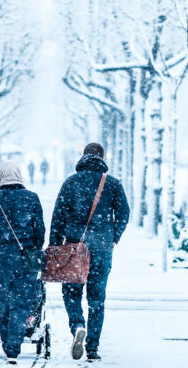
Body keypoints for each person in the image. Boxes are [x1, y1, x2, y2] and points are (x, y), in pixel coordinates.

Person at [50, 142, 130, 362]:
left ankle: (77, 324)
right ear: (102, 158)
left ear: (83, 158)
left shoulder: (71, 183)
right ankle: (92, 347)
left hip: (75, 247)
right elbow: (124, 213)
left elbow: (58, 217)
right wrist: (113, 236)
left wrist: (55, 246)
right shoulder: (112, 184)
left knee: (71, 293)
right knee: (97, 299)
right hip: (101, 249)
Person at [0, 161, 46, 365]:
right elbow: (40, 230)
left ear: (1, 177)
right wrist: (33, 247)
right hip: (26, 258)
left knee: (1, 298)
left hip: (1, 259)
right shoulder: (32, 198)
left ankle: (7, 341)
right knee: (22, 300)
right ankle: (14, 346)